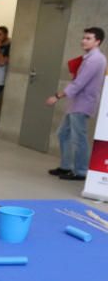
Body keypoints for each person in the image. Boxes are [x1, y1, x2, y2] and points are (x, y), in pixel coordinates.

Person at [46, 26, 107, 181]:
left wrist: (57, 96)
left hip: (83, 103)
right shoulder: (88, 58)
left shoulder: (95, 59)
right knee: (63, 133)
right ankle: (66, 167)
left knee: (79, 138)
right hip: (76, 103)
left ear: (97, 41)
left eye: (88, 38)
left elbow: (79, 83)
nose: (83, 41)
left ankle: (81, 171)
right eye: (84, 37)